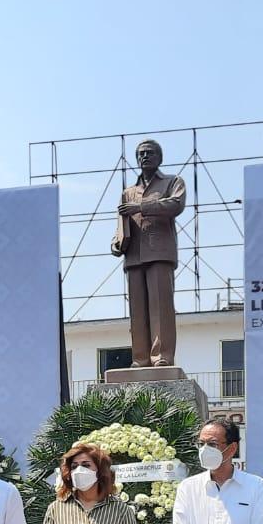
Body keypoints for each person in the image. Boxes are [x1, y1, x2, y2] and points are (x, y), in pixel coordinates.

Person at [110, 139, 187, 367]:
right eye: (141, 154)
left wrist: (141, 207)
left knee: (160, 307)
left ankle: (162, 357)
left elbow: (175, 205)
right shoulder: (128, 192)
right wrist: (116, 243)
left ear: (159, 158)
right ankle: (140, 359)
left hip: (160, 252)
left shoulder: (173, 182)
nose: (145, 157)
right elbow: (121, 224)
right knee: (138, 311)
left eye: (150, 153)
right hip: (133, 256)